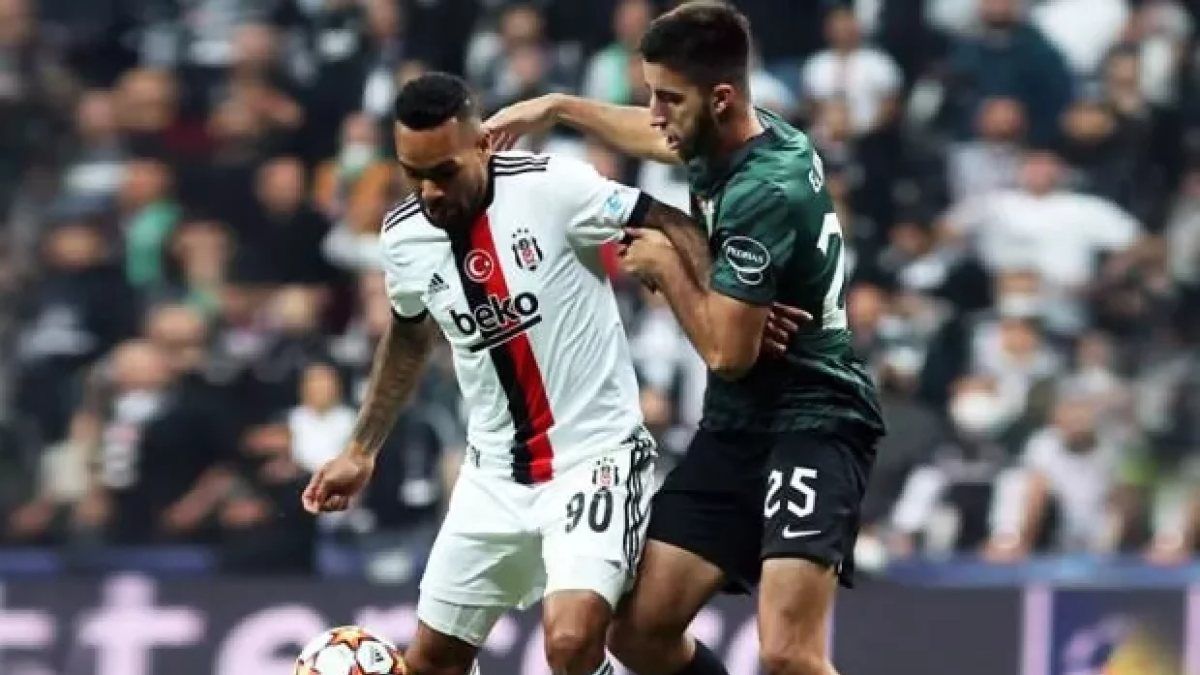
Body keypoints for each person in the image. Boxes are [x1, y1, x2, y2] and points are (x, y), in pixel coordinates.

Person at [300, 73, 794, 675]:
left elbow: (667, 218)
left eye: (444, 172)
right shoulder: (404, 236)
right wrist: (361, 449)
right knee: (432, 662)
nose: (429, 192)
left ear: (483, 144)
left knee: (571, 640)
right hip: (492, 475)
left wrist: (731, 302)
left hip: (595, 458)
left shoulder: (552, 186)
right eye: (414, 174)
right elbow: (408, 334)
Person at [485, 3, 886, 675]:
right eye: (651, 93)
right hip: (736, 428)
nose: (655, 113)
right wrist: (556, 107)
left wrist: (670, 266)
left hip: (812, 420)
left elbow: (729, 354)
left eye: (667, 98)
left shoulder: (762, 190)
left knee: (788, 653)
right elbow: (653, 136)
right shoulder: (740, 134)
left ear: (720, 97)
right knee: (638, 632)